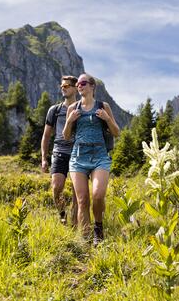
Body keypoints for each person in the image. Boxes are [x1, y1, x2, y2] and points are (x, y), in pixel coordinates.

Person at [63, 73, 120, 245]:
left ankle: (98, 228)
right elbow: (66, 137)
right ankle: (86, 239)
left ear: (92, 86)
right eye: (78, 84)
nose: (79, 85)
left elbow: (116, 132)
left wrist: (107, 118)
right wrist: (69, 121)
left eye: (83, 83)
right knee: (82, 200)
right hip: (78, 157)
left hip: (99, 155)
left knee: (97, 195)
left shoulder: (103, 106)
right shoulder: (72, 108)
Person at [41, 76, 78, 226]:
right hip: (59, 152)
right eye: (62, 86)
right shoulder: (54, 110)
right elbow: (46, 135)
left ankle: (76, 222)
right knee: (56, 188)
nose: (63, 88)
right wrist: (44, 158)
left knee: (78, 193)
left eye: (67, 86)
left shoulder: (82, 108)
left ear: (76, 88)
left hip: (77, 153)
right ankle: (63, 216)